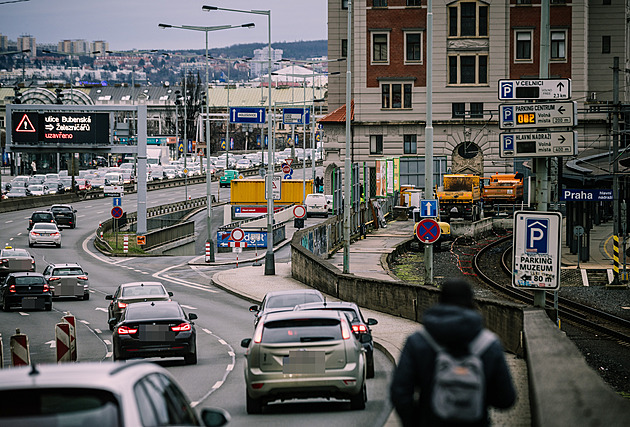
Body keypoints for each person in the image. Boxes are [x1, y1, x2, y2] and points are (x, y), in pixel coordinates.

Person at [390, 279, 516, 426]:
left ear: (440, 301)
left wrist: (414, 421)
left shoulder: (418, 341)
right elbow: (506, 399)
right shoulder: (489, 344)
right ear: (471, 303)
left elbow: (400, 392)